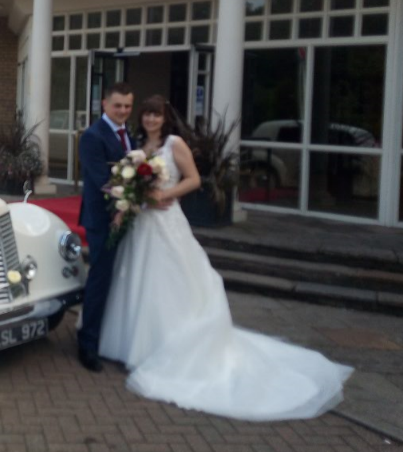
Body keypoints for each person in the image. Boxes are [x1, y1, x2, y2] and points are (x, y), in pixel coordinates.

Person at [99, 95, 353, 420]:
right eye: (147, 114)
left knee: (168, 283)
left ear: (165, 118)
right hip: (143, 224)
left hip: (166, 221)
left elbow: (193, 180)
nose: (151, 120)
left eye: (156, 115)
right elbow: (131, 181)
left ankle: (163, 349)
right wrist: (132, 196)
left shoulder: (174, 143)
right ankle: (134, 346)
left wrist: (165, 193)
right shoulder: (136, 146)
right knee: (138, 281)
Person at [76, 82, 135, 372]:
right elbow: (102, 179)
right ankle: (87, 343)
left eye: (127, 106)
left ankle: (113, 338)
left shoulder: (129, 135)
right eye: (117, 106)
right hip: (103, 219)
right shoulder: (92, 136)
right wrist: (128, 200)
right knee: (100, 277)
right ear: (104, 105)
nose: (123, 111)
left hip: (127, 216)